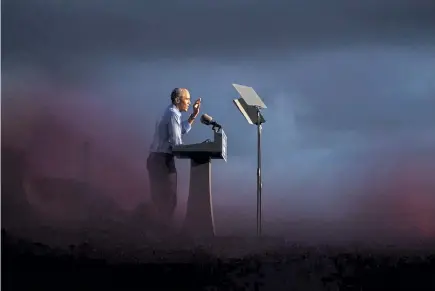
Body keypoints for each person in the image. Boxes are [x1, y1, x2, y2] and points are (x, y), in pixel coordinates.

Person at [147, 88, 201, 234]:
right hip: (161, 161)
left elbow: (179, 130)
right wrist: (195, 149)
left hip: (159, 159)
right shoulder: (172, 114)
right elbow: (177, 143)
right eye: (187, 99)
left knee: (164, 199)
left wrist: (193, 116)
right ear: (178, 100)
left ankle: (161, 232)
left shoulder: (172, 113)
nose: (189, 102)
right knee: (167, 200)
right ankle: (163, 234)